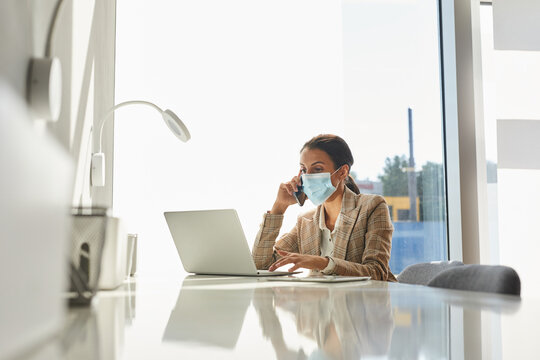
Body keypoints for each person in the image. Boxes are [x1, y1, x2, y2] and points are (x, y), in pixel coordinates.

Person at [252, 134, 396, 281]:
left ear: (342, 172)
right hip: (323, 301)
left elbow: (377, 272)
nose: (307, 177)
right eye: (303, 170)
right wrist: (279, 207)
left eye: (317, 169)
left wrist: (323, 263)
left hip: (365, 301)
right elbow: (260, 264)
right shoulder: (305, 221)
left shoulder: (372, 206)